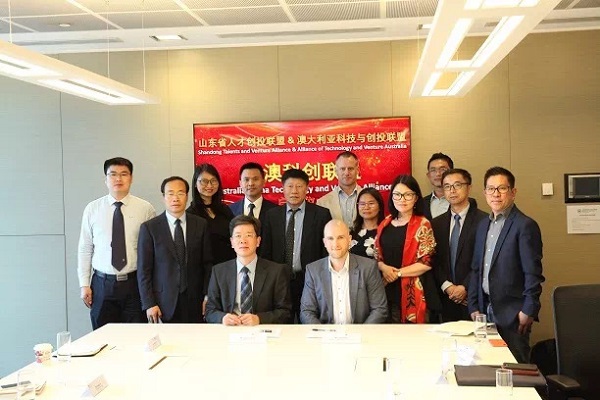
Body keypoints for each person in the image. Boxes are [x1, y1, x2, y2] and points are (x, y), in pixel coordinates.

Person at [468, 167, 544, 363]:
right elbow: (476, 269)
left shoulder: (525, 225)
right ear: (485, 192)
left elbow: (533, 273)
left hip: (513, 314)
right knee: (487, 365)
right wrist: (473, 305)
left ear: (513, 192)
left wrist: (528, 310)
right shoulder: (483, 225)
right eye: (491, 189)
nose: (496, 194)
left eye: (502, 188)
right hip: (484, 311)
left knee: (515, 369)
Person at [77, 157, 156, 330]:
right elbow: (85, 248)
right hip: (102, 285)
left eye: (123, 174)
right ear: (105, 179)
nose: (118, 179)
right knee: (103, 337)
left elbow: (153, 252)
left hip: (135, 284)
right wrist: (84, 284)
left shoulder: (145, 209)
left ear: (131, 178)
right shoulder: (93, 209)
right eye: (113, 174)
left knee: (136, 336)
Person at [137, 177, 213, 323]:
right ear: (164, 197)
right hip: (163, 301)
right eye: (170, 193)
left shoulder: (200, 224)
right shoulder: (150, 228)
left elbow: (207, 264)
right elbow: (144, 270)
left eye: (180, 193)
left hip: (195, 300)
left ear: (187, 196)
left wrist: (207, 296)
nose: (175, 198)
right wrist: (149, 303)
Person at [261, 168, 332, 322]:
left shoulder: (321, 215)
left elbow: (326, 252)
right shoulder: (271, 216)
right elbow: (266, 251)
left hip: (309, 280)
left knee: (308, 321)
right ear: (283, 189)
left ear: (306, 189)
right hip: (279, 281)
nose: (294, 191)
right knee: (281, 323)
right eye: (290, 186)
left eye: (299, 186)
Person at [375, 174, 440, 323]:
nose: (402, 199)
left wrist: (397, 273)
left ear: (416, 198)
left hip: (414, 291)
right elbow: (377, 256)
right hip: (386, 290)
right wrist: (384, 268)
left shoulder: (423, 224)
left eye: (408, 195)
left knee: (412, 336)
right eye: (397, 194)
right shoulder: (385, 223)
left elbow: (427, 262)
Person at [205, 215, 292, 325]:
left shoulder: (276, 272)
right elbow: (210, 311)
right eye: (238, 236)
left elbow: (285, 312)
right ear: (231, 242)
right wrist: (222, 318)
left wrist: (259, 319)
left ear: (258, 241)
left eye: (249, 235)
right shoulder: (219, 272)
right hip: (230, 330)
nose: (243, 241)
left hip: (261, 331)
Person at [300, 220, 387, 324]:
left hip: (361, 332)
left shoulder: (368, 267)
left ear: (349, 240)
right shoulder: (313, 270)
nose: (335, 244)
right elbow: (307, 311)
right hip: (326, 333)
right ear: (324, 242)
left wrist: (362, 332)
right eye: (330, 238)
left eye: (340, 237)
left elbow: (379, 309)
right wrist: (322, 332)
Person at [431, 169, 487, 322]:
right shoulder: (436, 224)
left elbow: (484, 260)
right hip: (445, 298)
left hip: (474, 299)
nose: (452, 190)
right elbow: (433, 259)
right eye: (447, 186)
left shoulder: (484, 221)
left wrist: (465, 287)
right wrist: (447, 286)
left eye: (457, 185)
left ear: (469, 187)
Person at [187, 163, 235, 265]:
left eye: (213, 181)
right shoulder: (190, 214)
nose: (209, 185)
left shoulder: (225, 210)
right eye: (204, 181)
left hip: (227, 266)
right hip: (203, 268)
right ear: (195, 183)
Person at [317, 151, 362, 228]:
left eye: (350, 169)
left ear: (357, 170)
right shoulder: (322, 203)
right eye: (342, 169)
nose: (346, 173)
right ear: (336, 171)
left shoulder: (369, 198)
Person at [229, 162, 277, 232]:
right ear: (240, 183)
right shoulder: (230, 210)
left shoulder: (275, 211)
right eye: (246, 179)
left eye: (255, 179)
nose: (251, 183)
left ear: (264, 182)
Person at [350, 187, 385, 259]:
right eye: (362, 204)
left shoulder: (386, 231)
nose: (366, 207)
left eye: (371, 203)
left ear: (380, 206)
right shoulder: (351, 233)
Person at [422, 153, 454, 220]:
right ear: (428, 175)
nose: (438, 174)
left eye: (442, 169)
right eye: (433, 170)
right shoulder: (421, 203)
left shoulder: (462, 201)